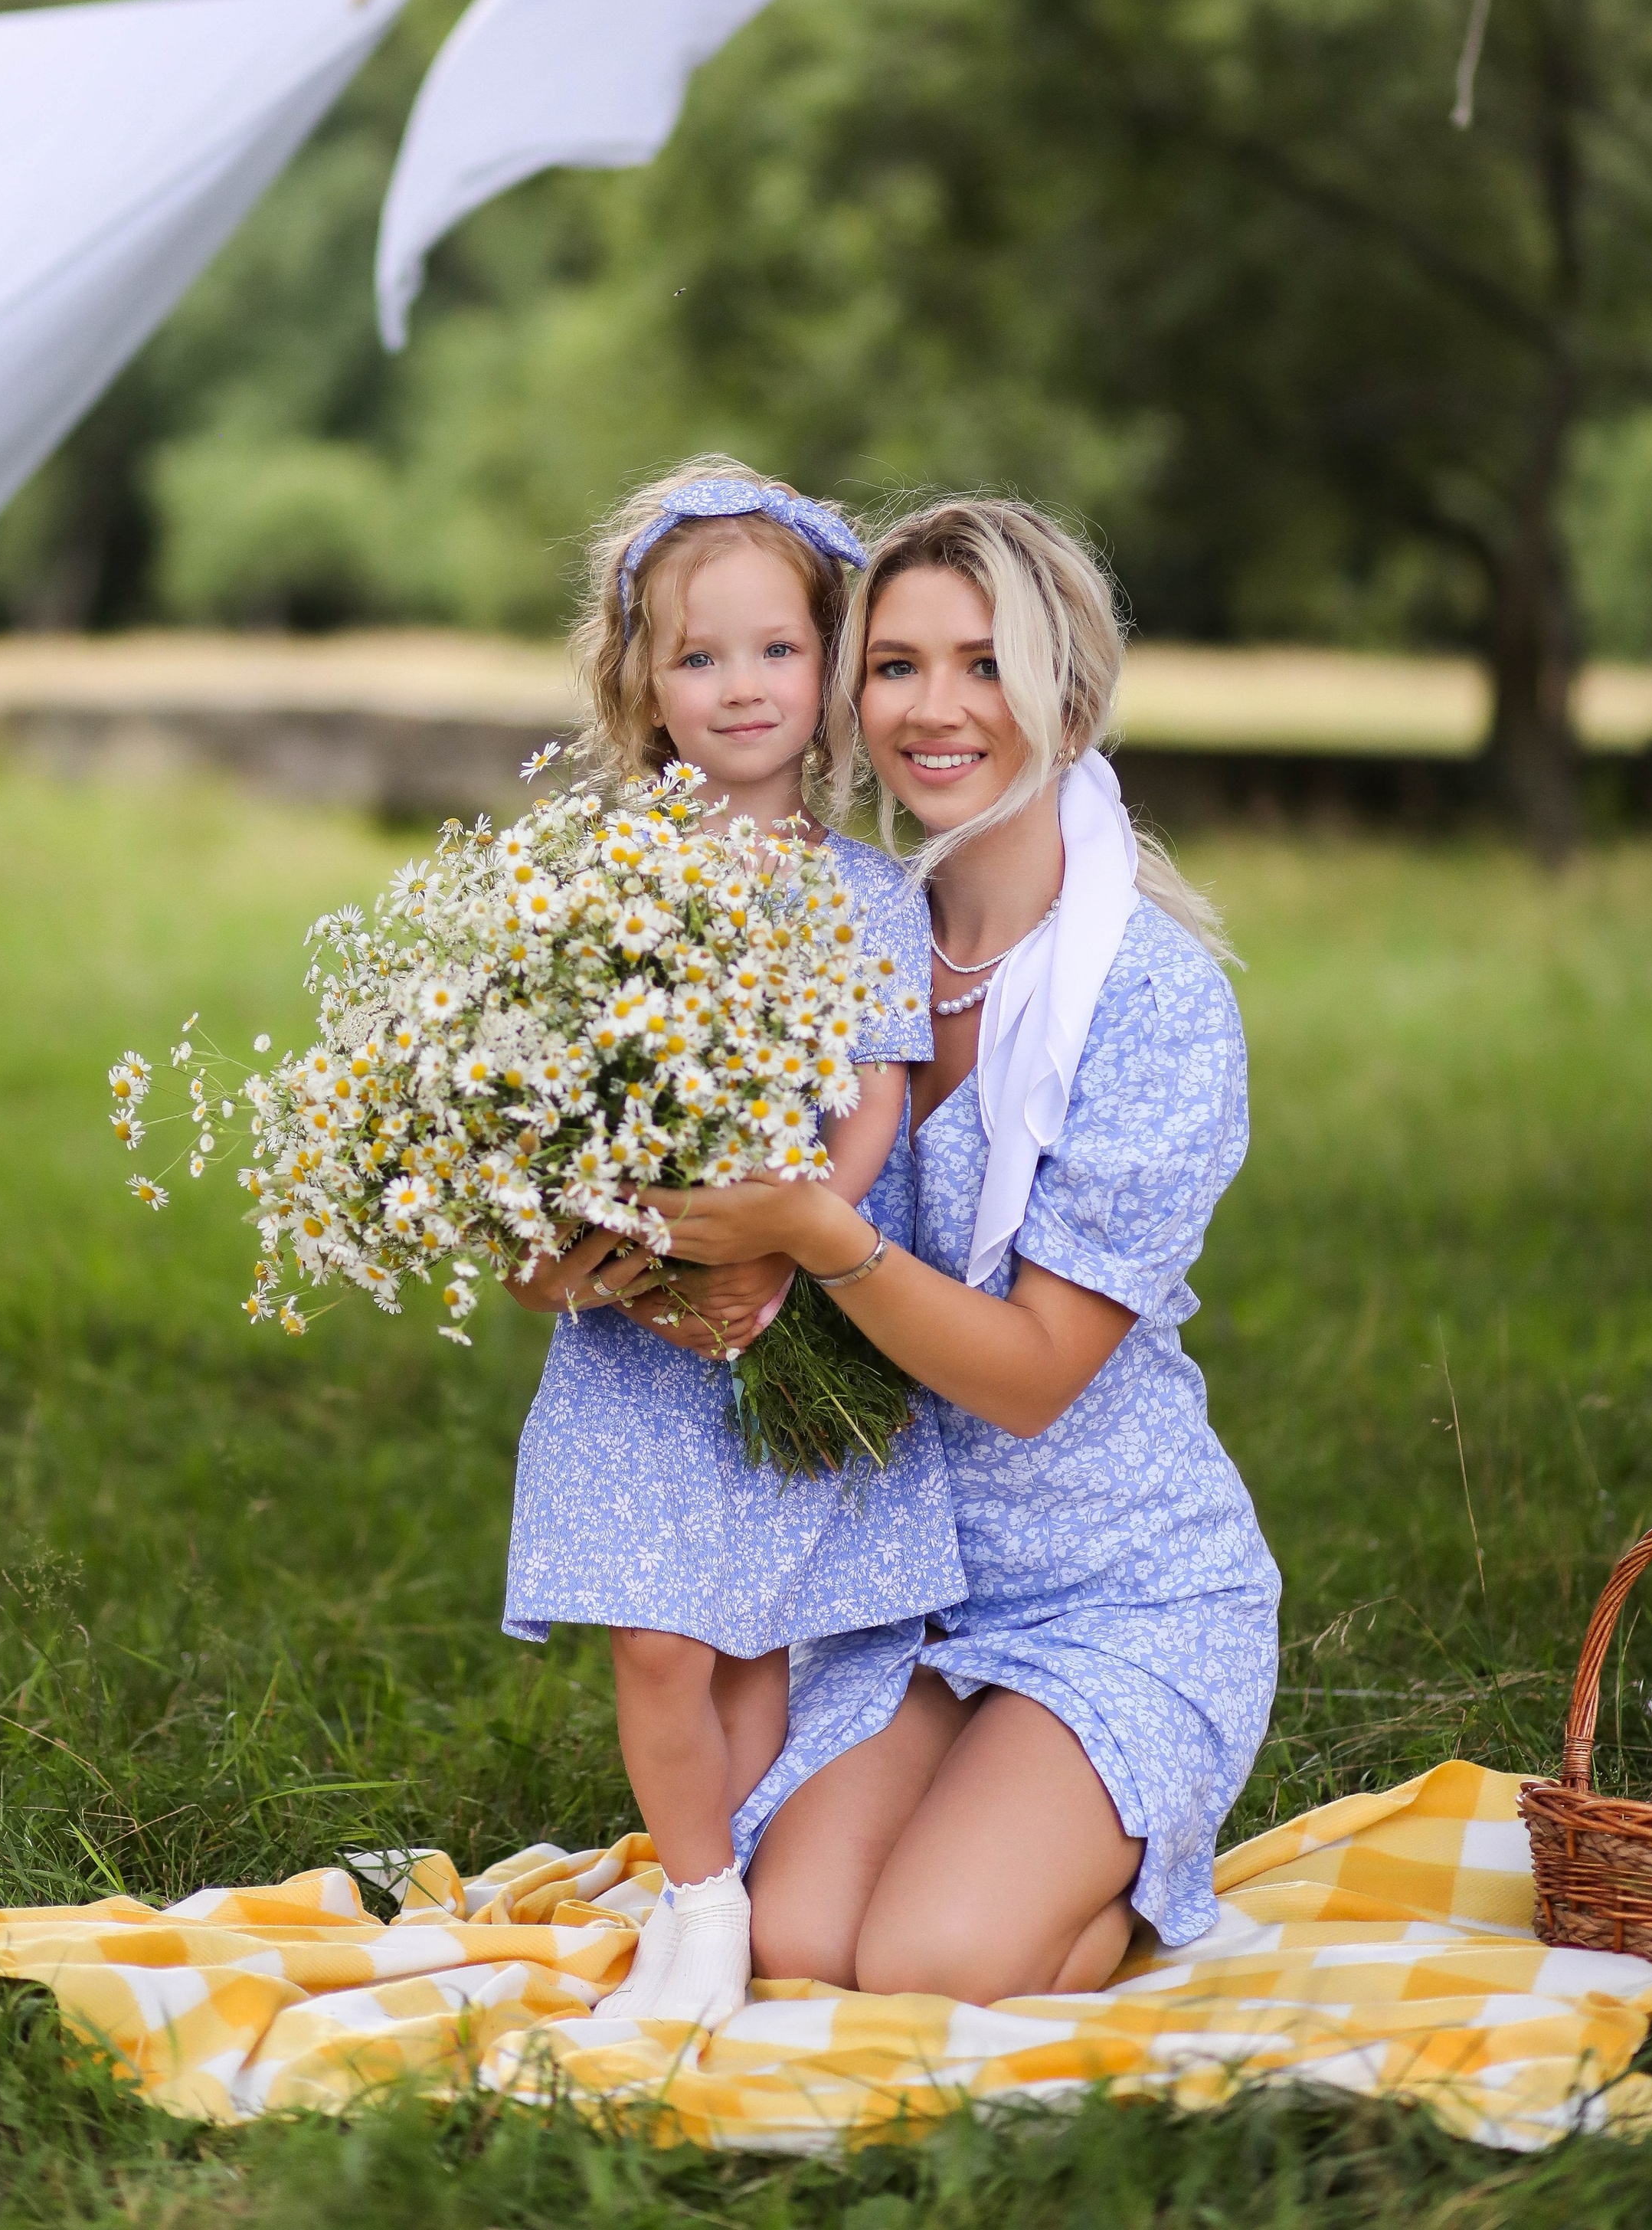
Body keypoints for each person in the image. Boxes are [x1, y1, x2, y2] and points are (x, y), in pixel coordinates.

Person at [645, 499, 1280, 2002]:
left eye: (986, 665)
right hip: (906, 1601)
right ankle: (999, 1834)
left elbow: (1035, 1378)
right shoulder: (831, 944)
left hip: (1120, 1590)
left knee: (931, 1960)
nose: (936, 708)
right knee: (801, 1945)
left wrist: (813, 1232)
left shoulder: (1148, 999)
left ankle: (1105, 1888)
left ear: (1070, 696)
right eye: (897, 666)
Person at [500, 460, 964, 2028]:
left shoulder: (868, 894)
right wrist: (641, 1245)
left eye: (777, 649)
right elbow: (554, 1095)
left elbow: (874, 1093)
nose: (742, 685)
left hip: (787, 1309)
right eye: (699, 655)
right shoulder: (603, 888)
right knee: (657, 1640)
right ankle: (697, 1896)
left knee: (755, 1636)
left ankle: (736, 1888)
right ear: (643, 683)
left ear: (828, 674)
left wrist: (791, 1238)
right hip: (647, 1331)